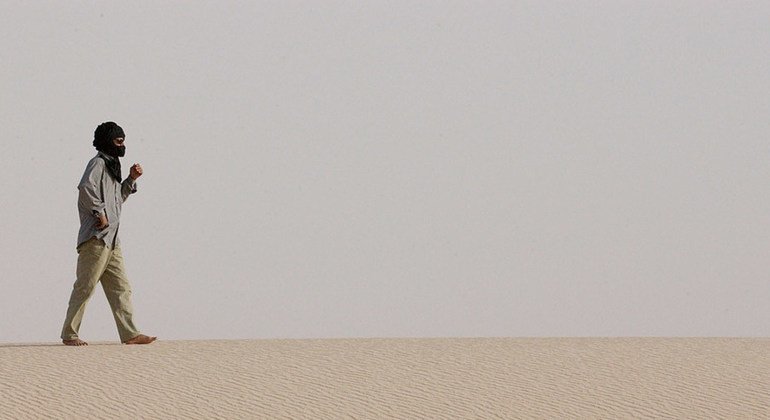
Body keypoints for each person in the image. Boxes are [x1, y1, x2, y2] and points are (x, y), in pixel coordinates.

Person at [60, 122, 156, 346]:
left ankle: (130, 334)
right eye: (118, 140)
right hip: (96, 238)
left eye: (123, 140)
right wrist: (99, 213)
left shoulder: (113, 166)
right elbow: (85, 188)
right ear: (107, 141)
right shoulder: (97, 164)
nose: (122, 145)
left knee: (121, 288)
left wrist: (131, 179)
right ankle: (69, 334)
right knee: (85, 286)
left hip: (112, 240)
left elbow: (117, 201)